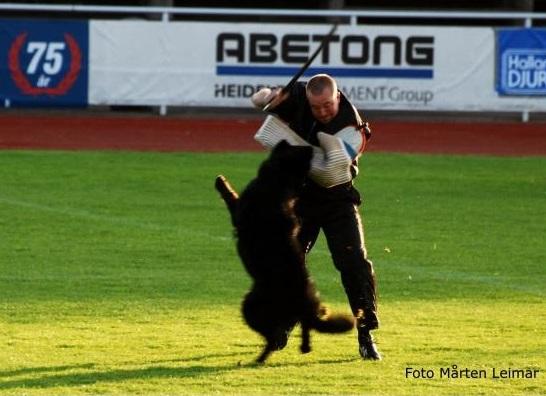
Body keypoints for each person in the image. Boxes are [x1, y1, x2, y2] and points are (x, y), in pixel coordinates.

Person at [250, 74, 381, 360]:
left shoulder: (351, 126)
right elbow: (259, 96)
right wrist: (266, 98)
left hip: (337, 198)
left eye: (327, 106)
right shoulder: (298, 95)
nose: (322, 112)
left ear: (337, 97)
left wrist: (285, 142)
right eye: (316, 107)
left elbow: (328, 173)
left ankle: (365, 334)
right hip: (301, 199)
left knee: (353, 263)